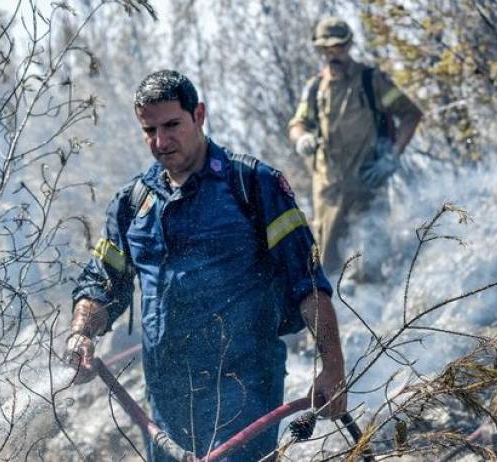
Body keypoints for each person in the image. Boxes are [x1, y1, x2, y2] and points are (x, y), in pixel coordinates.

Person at [66, 70, 346, 461]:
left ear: (198, 114)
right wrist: (82, 334)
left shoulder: (254, 185)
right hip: (166, 395)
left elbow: (309, 283)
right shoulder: (132, 203)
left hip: (245, 388)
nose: (161, 142)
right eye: (149, 130)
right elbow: (102, 282)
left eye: (172, 125)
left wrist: (333, 369)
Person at [289, 17, 423, 275]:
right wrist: (302, 139)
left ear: (348, 46)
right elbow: (297, 124)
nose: (332, 54)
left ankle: (378, 314)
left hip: (368, 185)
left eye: (338, 47)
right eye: (325, 49)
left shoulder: (372, 81)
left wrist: (391, 157)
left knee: (371, 265)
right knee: (326, 270)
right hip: (330, 191)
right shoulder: (315, 88)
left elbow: (410, 114)